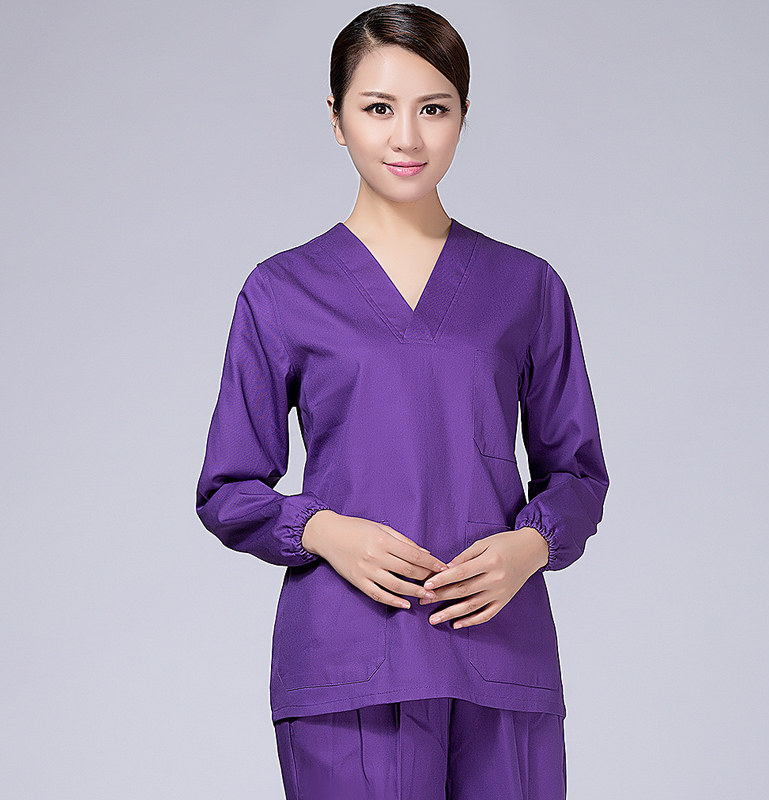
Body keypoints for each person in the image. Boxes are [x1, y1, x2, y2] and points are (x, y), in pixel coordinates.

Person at [195, 4, 609, 798]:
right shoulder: (282, 291)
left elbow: (579, 473)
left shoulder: (526, 287)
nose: (407, 137)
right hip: (349, 656)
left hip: (500, 650)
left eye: (434, 109)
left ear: (463, 116)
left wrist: (532, 545)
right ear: (337, 119)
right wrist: (324, 530)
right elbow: (226, 487)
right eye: (379, 108)